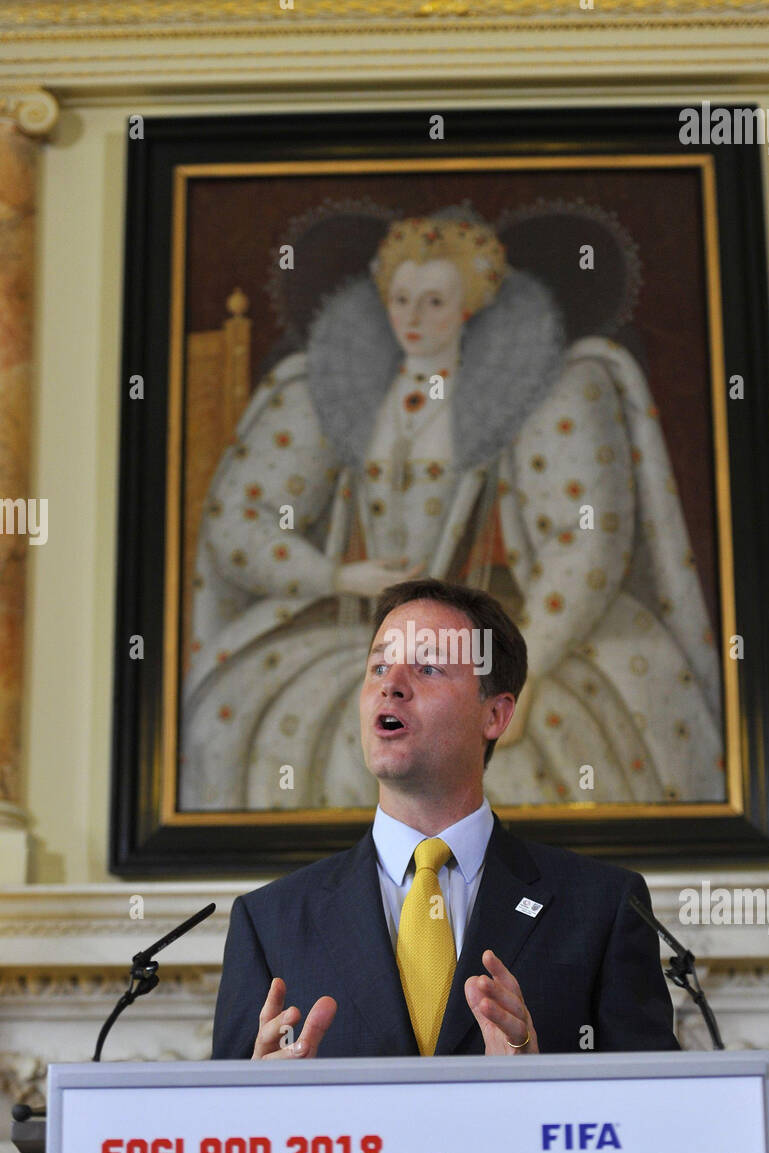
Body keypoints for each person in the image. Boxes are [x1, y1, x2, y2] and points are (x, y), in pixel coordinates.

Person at [182, 210, 724, 814]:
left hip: (511, 645)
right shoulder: (328, 392)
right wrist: (333, 576)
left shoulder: (549, 391)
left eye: (435, 302)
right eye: (401, 299)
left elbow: (586, 543)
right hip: (359, 644)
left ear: (471, 307)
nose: (412, 319)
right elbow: (240, 519)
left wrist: (530, 666)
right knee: (250, 722)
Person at [211, 578, 679, 1061]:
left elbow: (654, 1116)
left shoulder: (602, 907)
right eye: (378, 666)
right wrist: (257, 1100)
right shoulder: (269, 922)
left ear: (495, 715)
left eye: (429, 667)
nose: (390, 685)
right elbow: (219, 1128)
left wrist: (541, 1087)